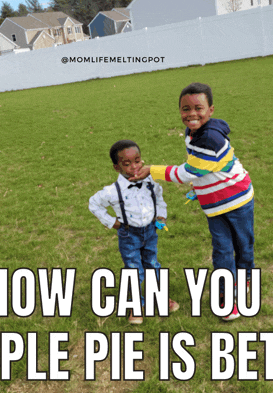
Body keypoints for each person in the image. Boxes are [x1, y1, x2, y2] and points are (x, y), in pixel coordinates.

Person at [131, 83, 254, 321]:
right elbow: (202, 169)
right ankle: (227, 297)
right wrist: (201, 188)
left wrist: (152, 170)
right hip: (215, 205)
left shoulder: (210, 139)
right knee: (222, 250)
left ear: (211, 110)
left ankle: (245, 278)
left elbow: (188, 172)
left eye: (199, 108)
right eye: (185, 108)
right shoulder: (192, 133)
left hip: (238, 200)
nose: (192, 113)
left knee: (243, 245)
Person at [89, 140, 179, 324]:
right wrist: (111, 222)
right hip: (128, 235)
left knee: (153, 264)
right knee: (134, 270)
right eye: (126, 163)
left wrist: (161, 216)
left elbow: (160, 199)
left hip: (151, 232)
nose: (134, 167)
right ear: (116, 167)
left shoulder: (150, 183)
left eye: (137, 161)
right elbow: (94, 204)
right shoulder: (112, 191)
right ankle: (136, 306)